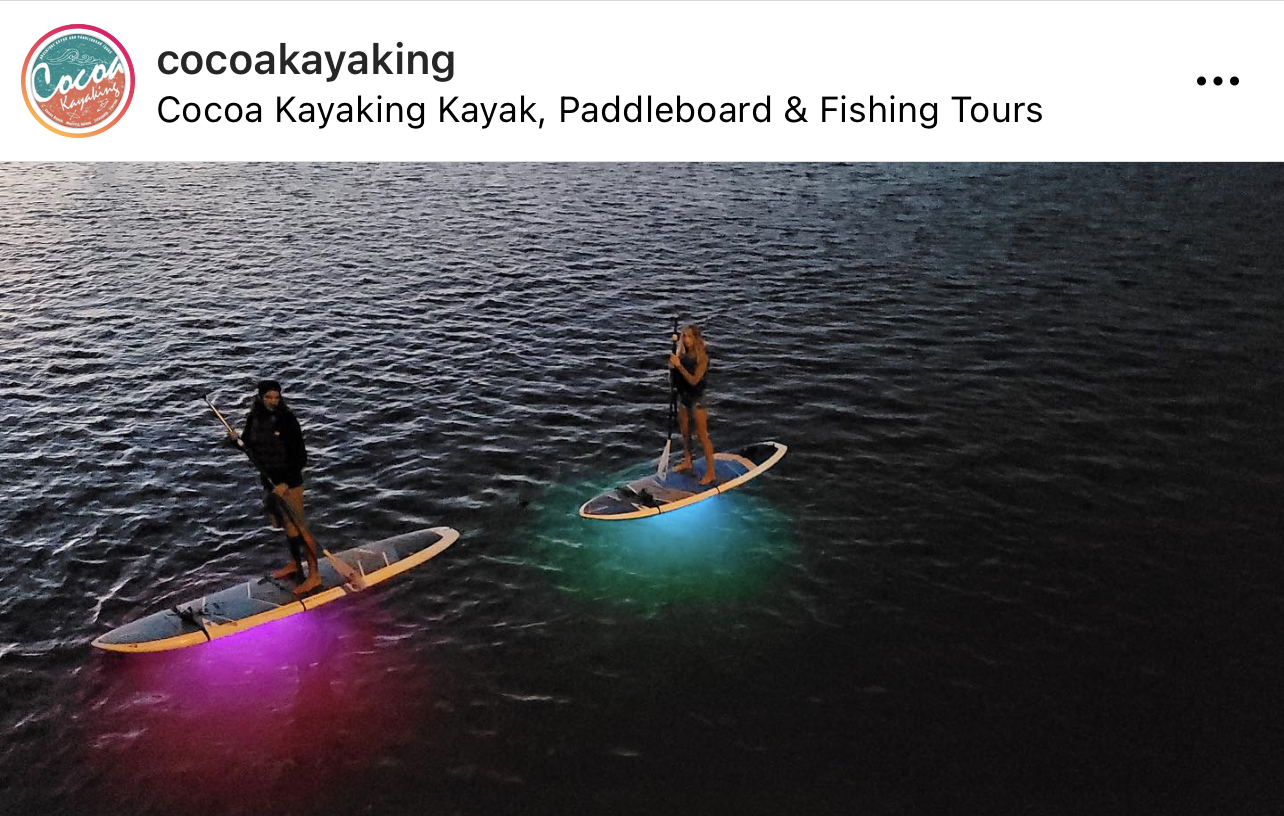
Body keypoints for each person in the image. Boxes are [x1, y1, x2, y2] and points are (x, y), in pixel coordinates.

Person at [238, 379, 319, 594]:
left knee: (299, 527)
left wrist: (285, 482)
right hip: (270, 482)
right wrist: (234, 441)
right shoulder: (253, 418)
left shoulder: (287, 420)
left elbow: (300, 456)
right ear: (260, 398)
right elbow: (248, 446)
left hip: (288, 483)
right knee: (286, 527)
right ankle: (294, 563)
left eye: (276, 397)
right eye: (268, 397)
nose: (273, 401)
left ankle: (314, 575)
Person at [669, 324, 718, 485]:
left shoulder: (702, 357)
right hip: (683, 398)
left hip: (697, 399)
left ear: (696, 339)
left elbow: (694, 380)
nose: (687, 340)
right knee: (685, 432)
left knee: (702, 436)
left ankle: (711, 473)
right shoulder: (682, 355)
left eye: (689, 336)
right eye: (684, 337)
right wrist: (672, 367)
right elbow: (677, 379)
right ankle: (687, 460)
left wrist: (678, 366)